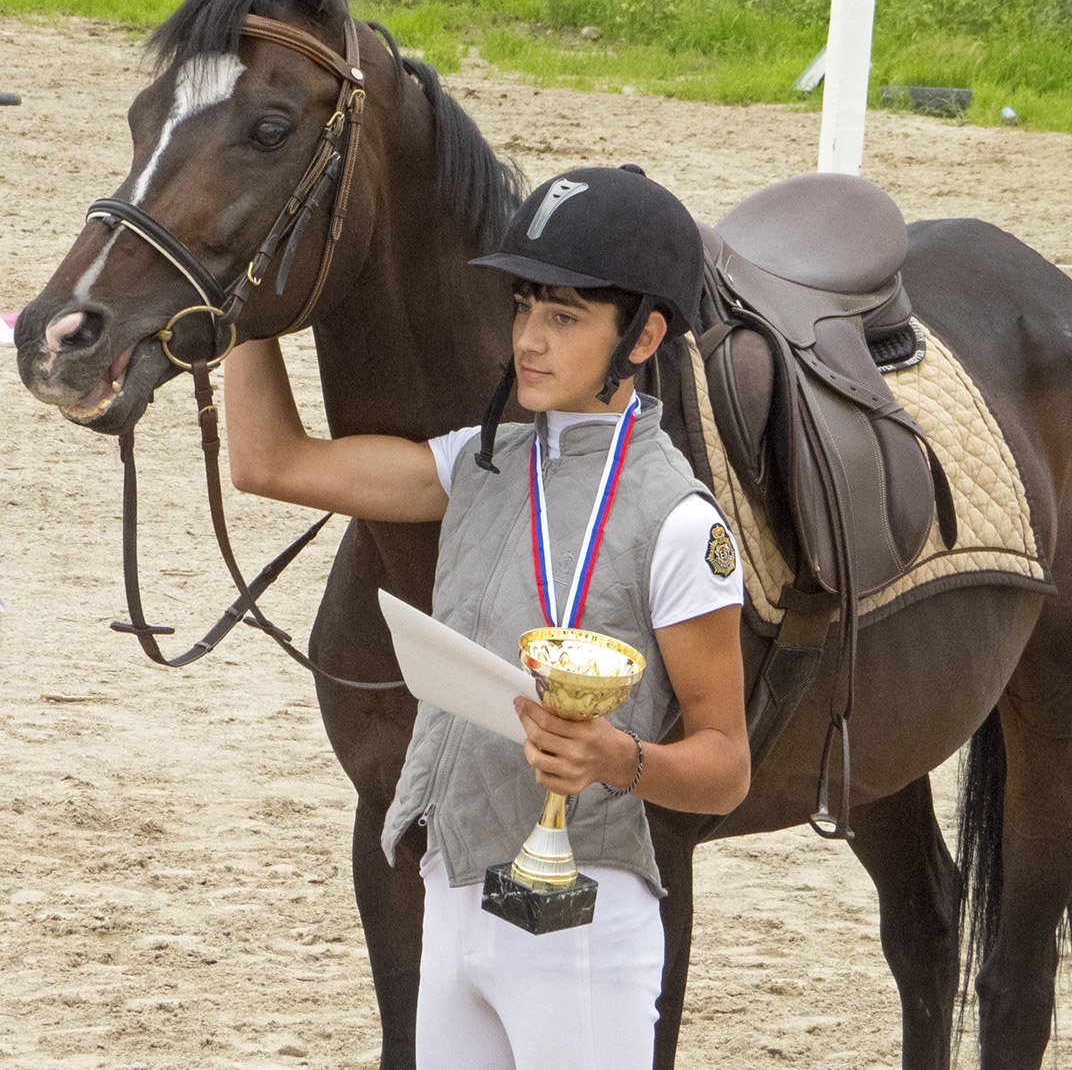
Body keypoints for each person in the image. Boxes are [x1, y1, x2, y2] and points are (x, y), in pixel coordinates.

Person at [223, 165, 750, 1070]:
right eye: (523, 308)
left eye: (565, 316)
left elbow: (727, 764)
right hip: (453, 888)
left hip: (579, 915)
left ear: (645, 334)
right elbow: (269, 462)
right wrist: (239, 302)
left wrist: (618, 758)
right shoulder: (477, 461)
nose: (528, 342)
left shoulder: (682, 521)